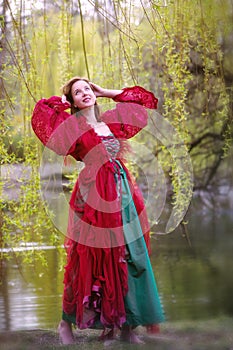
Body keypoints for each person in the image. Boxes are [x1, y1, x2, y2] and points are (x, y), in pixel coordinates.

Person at [31, 77, 165, 344]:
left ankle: (127, 328)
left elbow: (143, 102)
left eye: (87, 89)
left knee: (129, 255)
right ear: (73, 101)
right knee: (92, 259)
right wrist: (63, 101)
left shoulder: (112, 122)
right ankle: (65, 325)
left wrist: (106, 91)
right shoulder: (73, 129)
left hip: (124, 192)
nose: (85, 94)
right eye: (78, 92)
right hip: (94, 196)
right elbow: (42, 114)